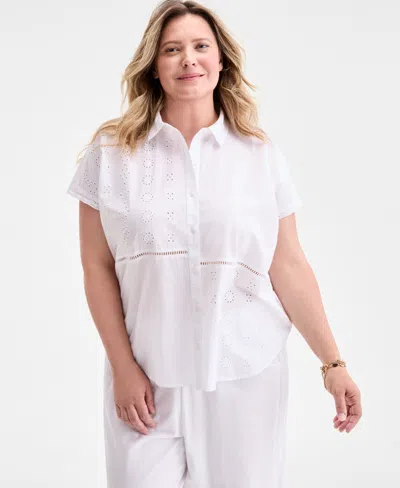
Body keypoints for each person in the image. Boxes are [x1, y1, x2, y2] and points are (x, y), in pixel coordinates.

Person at [66, 1, 363, 487]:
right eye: (172, 49)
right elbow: (96, 266)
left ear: (221, 60)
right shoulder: (111, 153)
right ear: (154, 66)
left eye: (200, 46)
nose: (188, 59)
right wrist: (122, 367)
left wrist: (333, 364)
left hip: (244, 373)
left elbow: (288, 264)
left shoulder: (260, 155)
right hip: (146, 378)